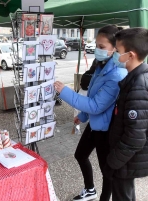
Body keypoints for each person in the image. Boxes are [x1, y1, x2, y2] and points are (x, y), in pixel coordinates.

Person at [54, 25, 127, 201]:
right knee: (80, 154)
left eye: (102, 47)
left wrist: (65, 91)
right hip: (94, 124)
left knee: (106, 170)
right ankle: (90, 189)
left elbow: (96, 105)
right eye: (97, 45)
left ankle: (104, 198)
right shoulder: (101, 66)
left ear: (115, 48)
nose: (97, 50)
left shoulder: (117, 74)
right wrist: (83, 116)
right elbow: (94, 97)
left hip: (105, 130)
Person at [104, 28, 148, 201]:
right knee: (125, 194)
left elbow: (135, 137)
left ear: (131, 55)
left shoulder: (138, 85)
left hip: (125, 160)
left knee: (123, 196)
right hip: (126, 159)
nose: (116, 56)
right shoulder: (139, 77)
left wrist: (113, 161)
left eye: (118, 52)